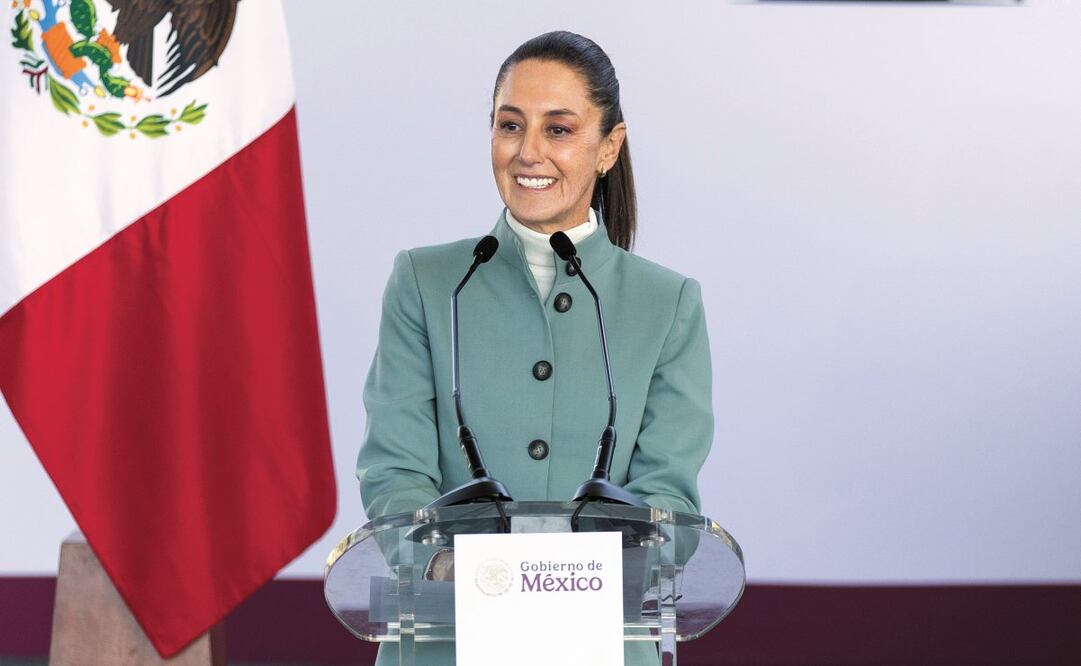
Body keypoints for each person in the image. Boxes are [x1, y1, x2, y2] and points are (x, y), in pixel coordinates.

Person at [356, 30, 713, 666]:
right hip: (447, 639)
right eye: (510, 125)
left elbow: (670, 498)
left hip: (605, 642)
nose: (528, 152)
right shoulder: (425, 282)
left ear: (609, 147)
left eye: (558, 129)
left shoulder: (667, 303)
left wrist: (587, 575)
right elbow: (394, 470)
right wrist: (443, 565)